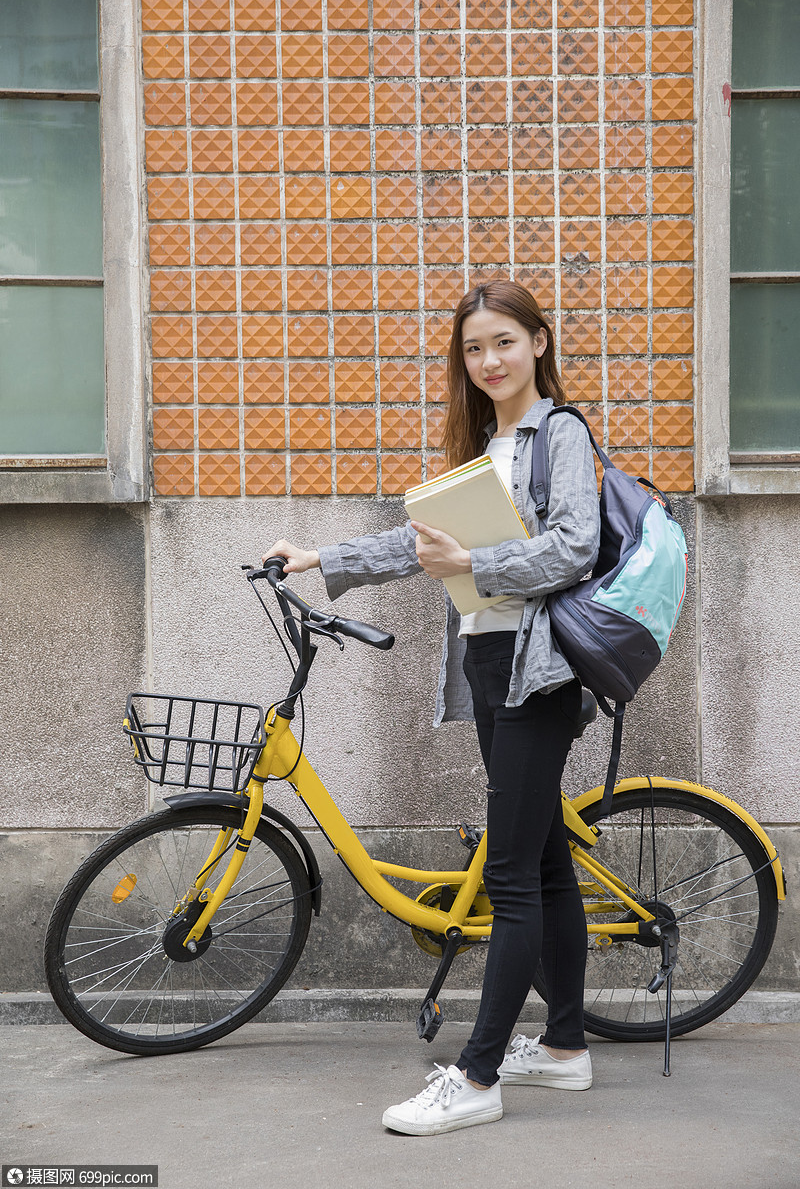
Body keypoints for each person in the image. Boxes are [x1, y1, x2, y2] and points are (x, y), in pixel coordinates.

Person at [264, 280, 601, 1136]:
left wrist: (479, 565)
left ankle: (479, 1075)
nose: (488, 361)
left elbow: (574, 546)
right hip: (490, 662)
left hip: (542, 670)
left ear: (539, 342)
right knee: (546, 859)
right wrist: (319, 556)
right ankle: (565, 1049)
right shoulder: (485, 444)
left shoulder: (558, 431)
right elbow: (421, 546)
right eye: (473, 349)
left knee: (512, 877)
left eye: (504, 342)